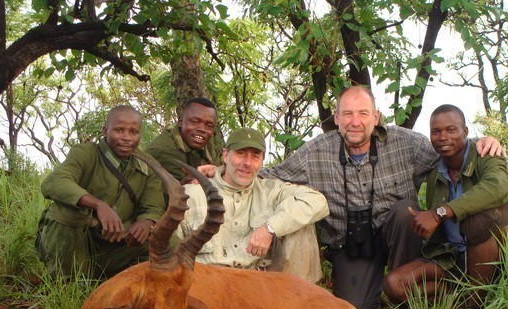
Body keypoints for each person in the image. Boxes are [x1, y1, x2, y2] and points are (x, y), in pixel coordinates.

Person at [262, 86, 504, 309]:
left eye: (363, 113)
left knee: (403, 210)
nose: (355, 122)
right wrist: (227, 171)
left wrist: (480, 143)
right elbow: (272, 175)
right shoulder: (314, 152)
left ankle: (404, 294)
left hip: (397, 235)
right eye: (347, 114)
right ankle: (382, 292)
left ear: (375, 117)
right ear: (336, 118)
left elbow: (450, 149)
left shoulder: (405, 142)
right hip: (350, 244)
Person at [382, 104, 508, 305]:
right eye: (436, 131)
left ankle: (473, 306)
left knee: (477, 221)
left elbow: (499, 187)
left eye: (451, 130)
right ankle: (459, 294)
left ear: (465, 132)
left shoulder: (486, 155)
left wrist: (440, 212)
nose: (443, 137)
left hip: (496, 251)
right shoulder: (435, 175)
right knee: (394, 284)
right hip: (452, 256)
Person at [178, 127, 329, 282]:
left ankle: (297, 297)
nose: (247, 163)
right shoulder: (192, 193)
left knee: (300, 225)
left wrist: (269, 228)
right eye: (240, 154)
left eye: (255, 156)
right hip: (205, 282)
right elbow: (172, 252)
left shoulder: (270, 191)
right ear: (225, 155)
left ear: (262, 161)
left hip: (253, 282)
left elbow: (318, 201)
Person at [36, 105, 165, 279]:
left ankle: (123, 282)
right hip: (76, 239)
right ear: (106, 131)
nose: (127, 138)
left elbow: (153, 207)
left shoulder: (149, 164)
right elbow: (55, 182)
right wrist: (98, 205)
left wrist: (146, 223)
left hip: (114, 245)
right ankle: (65, 281)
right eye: (119, 130)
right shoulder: (85, 153)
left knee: (165, 239)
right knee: (67, 212)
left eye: (134, 132)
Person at [145, 97, 221, 184]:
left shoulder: (207, 144)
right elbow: (177, 191)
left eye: (209, 126)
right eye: (195, 122)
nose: (202, 129)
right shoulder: (165, 150)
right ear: (180, 122)